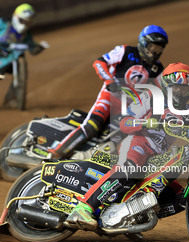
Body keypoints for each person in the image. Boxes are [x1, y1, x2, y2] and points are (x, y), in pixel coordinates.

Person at [65, 62, 189, 230]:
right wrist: (146, 123)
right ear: (167, 86)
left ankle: (133, 218)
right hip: (138, 143)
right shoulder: (150, 97)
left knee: (182, 197)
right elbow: (124, 123)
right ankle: (83, 208)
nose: (181, 92)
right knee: (129, 168)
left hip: (159, 156)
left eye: (185, 88)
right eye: (177, 88)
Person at [48, 25, 168, 159]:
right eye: (152, 47)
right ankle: (54, 153)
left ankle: (87, 162)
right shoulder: (126, 51)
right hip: (110, 96)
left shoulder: (158, 68)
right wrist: (109, 79)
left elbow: (159, 92)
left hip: (128, 107)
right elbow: (100, 62)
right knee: (91, 126)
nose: (155, 52)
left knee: (116, 138)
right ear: (143, 42)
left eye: (159, 49)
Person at [0, 3, 46, 107]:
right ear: (16, 17)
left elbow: (32, 49)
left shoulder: (26, 34)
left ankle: (13, 98)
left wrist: (40, 47)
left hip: (9, 58)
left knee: (21, 70)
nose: (25, 25)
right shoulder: (3, 22)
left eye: (28, 23)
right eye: (23, 21)